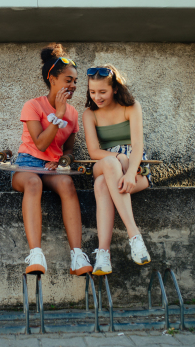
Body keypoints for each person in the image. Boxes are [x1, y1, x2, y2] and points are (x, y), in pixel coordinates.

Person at [12, 43, 93, 276]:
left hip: (52, 169)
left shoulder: (74, 113)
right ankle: (36, 255)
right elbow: (39, 144)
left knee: (68, 184)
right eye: (68, 80)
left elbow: (69, 149)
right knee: (33, 183)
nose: (73, 86)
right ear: (53, 79)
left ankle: (77, 256)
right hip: (27, 165)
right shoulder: (34, 105)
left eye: (76, 81)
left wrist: (63, 161)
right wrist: (57, 114)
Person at [82, 65, 152, 276]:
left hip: (135, 167)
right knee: (111, 165)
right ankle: (134, 236)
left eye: (102, 92)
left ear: (114, 89)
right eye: (93, 92)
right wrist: (117, 157)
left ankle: (103, 255)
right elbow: (94, 151)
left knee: (102, 184)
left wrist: (130, 172)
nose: (97, 97)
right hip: (104, 162)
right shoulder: (89, 114)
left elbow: (138, 145)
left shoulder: (131, 107)